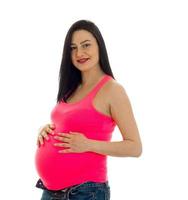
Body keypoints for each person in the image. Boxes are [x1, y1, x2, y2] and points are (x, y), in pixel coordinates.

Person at [34, 20, 143, 200]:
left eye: (86, 45)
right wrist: (46, 130)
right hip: (51, 191)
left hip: (84, 192)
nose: (79, 53)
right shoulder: (71, 88)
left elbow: (135, 147)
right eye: (73, 48)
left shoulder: (113, 90)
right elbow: (67, 123)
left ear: (99, 46)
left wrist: (88, 144)